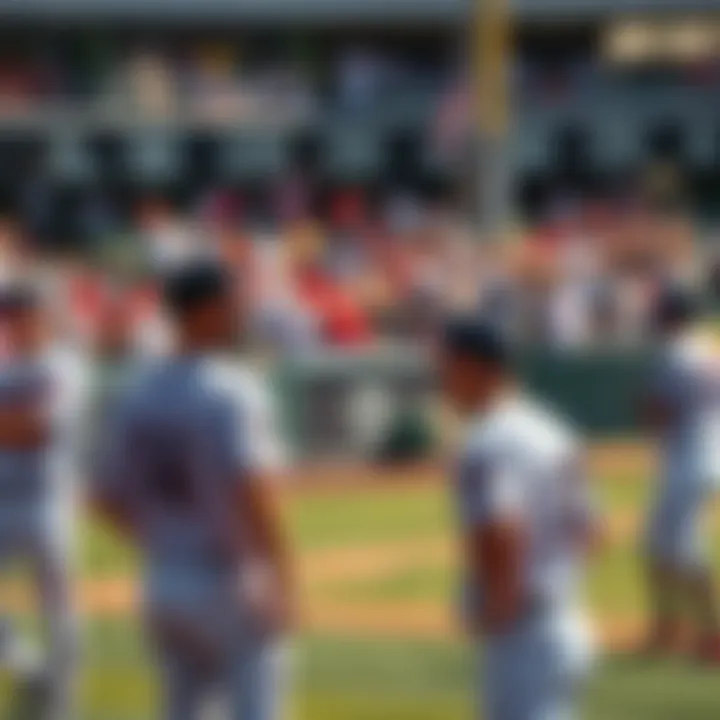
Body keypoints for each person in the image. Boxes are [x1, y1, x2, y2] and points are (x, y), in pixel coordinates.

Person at [93, 261, 294, 720]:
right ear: (207, 311)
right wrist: (281, 578)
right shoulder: (232, 390)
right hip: (230, 579)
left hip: (164, 581)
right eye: (231, 304)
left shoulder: (137, 393)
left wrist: (160, 539)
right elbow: (255, 494)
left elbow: (103, 498)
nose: (239, 313)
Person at [439, 317, 598, 720]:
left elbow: (503, 526)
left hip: (523, 634)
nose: (442, 378)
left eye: (447, 366)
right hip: (565, 621)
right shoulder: (551, 429)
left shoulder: (488, 440)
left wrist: (499, 607)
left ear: (473, 366)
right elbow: (591, 529)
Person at [0, 284, 86, 719]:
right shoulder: (5, 371)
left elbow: (39, 428)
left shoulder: (63, 366)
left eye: (23, 313)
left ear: (44, 317)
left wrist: (13, 422)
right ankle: (30, 668)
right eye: (10, 315)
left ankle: (61, 703)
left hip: (47, 501)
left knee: (58, 606)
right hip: (3, 501)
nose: (16, 322)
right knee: (56, 608)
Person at [642, 287, 720, 661]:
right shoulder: (710, 347)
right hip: (710, 450)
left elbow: (661, 412)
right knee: (658, 541)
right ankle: (667, 626)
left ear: (670, 317)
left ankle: (710, 631)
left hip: (688, 456)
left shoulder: (675, 354)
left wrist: (643, 409)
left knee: (682, 545)